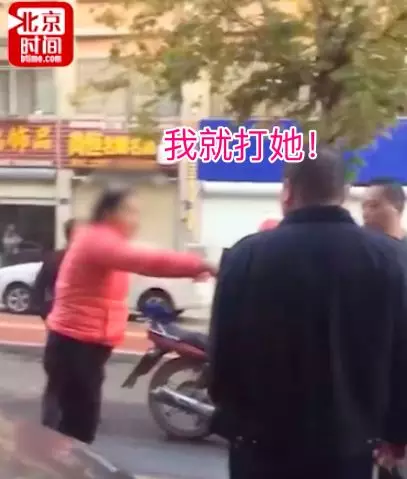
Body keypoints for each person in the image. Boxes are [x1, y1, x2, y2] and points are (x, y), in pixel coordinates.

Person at [208, 148, 407, 479]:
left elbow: (222, 356)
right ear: (344, 193)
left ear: (288, 191)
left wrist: (235, 421)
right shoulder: (388, 260)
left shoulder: (245, 256)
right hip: (347, 451)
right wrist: (396, 433)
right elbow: (402, 355)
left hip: (261, 448)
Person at [42, 185, 216, 444]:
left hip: (83, 345)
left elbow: (148, 254)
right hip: (75, 345)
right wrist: (200, 265)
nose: (136, 219)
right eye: (129, 211)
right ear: (109, 212)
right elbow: (148, 260)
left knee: (75, 425)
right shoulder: (98, 241)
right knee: (75, 431)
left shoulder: (103, 240)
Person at [32, 219, 77, 321]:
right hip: (60, 318)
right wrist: (46, 314)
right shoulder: (54, 259)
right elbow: (38, 288)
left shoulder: (91, 260)